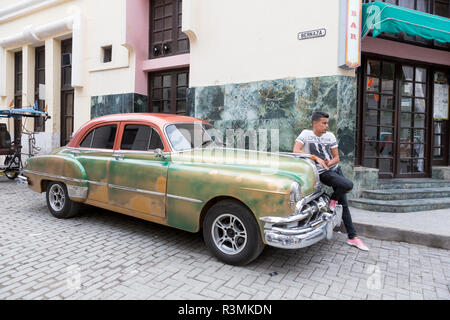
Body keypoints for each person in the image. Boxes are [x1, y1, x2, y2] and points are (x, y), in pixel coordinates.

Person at [293, 111, 369, 251]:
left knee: (344, 203)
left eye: (327, 123)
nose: (327, 126)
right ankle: (350, 232)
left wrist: (329, 162)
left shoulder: (330, 136)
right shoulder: (306, 134)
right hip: (322, 173)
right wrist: (316, 159)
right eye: (324, 123)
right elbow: (296, 150)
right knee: (348, 185)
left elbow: (337, 157)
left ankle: (352, 236)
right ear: (315, 123)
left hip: (334, 169)